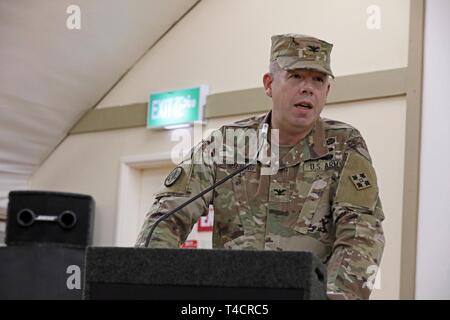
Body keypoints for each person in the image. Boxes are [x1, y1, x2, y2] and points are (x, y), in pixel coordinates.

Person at [136, 33, 385, 300]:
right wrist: (149, 284)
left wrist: (333, 298)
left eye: (318, 80)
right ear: (269, 84)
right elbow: (166, 219)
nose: (308, 88)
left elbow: (361, 233)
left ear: (327, 91)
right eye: (296, 76)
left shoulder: (344, 145)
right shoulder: (226, 144)